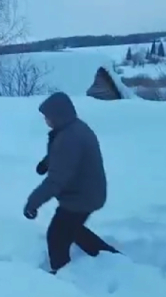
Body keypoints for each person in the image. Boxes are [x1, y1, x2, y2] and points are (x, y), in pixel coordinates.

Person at [23, 92, 119, 275]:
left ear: (59, 115)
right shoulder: (73, 128)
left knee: (57, 235)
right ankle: (112, 258)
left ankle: (62, 275)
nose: (45, 120)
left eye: (48, 116)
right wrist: (47, 162)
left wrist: (32, 203)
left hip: (81, 196)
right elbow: (64, 156)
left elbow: (56, 180)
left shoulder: (69, 137)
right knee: (71, 228)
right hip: (88, 191)